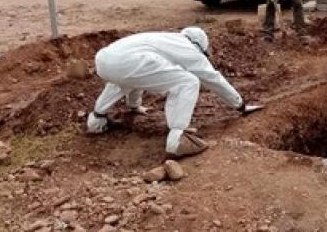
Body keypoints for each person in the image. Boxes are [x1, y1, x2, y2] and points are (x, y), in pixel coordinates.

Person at [86, 27, 262, 158]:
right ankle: (178, 138)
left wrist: (134, 106)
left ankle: (96, 121)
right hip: (130, 62)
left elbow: (131, 77)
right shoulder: (190, 49)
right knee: (189, 81)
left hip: (104, 60)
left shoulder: (165, 38)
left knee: (128, 75)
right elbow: (212, 78)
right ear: (200, 46)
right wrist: (240, 105)